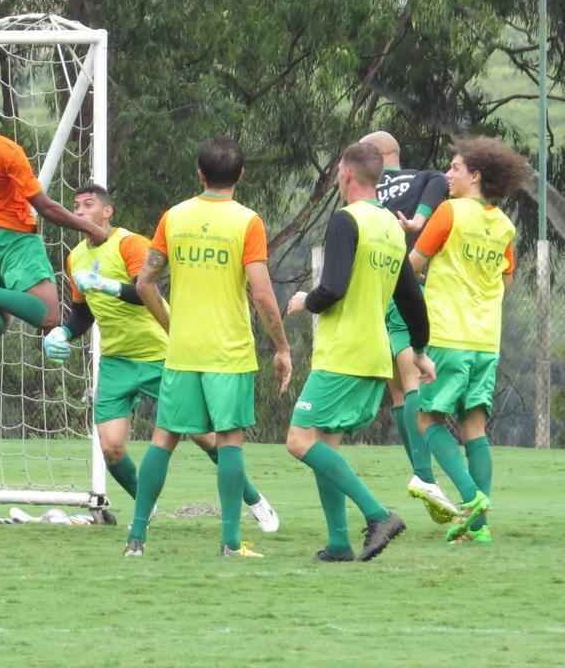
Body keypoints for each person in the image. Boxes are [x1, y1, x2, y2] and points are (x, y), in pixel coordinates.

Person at [43, 184, 279, 535]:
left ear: (108, 212)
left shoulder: (128, 244)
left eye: (88, 204)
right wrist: (62, 333)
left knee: (203, 436)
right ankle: (145, 507)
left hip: (161, 352)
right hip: (117, 360)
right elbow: (82, 314)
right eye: (75, 205)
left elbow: (145, 290)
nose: (79, 211)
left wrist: (108, 285)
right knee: (111, 447)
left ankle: (255, 500)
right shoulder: (75, 257)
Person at [121, 138, 291, 558]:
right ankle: (230, 543)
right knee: (229, 440)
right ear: (241, 175)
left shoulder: (174, 217)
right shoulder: (247, 222)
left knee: (164, 438)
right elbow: (262, 293)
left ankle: (136, 540)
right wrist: (282, 346)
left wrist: (172, 324)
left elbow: (144, 283)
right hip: (228, 351)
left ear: (199, 174)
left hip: (183, 350)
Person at [284, 142, 435, 562]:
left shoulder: (346, 220)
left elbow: (332, 288)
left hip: (344, 353)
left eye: (337, 173)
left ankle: (378, 514)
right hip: (375, 353)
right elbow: (411, 299)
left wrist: (304, 302)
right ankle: (337, 543)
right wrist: (419, 350)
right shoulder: (390, 226)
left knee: (298, 441)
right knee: (324, 444)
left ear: (347, 175)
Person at [410, 137, 529, 544]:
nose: (448, 174)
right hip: (485, 340)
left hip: (447, 334)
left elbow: (414, 265)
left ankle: (471, 498)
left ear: (475, 176)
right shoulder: (505, 225)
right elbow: (506, 279)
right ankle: (478, 529)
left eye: (455, 168)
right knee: (474, 426)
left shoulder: (448, 213)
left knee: (426, 419)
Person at [0, 73, 108, 343]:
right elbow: (45, 207)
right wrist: (90, 227)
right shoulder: (6, 151)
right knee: (48, 315)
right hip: (13, 236)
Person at [359, 130, 456, 522]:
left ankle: (423, 475)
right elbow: (437, 187)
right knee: (412, 377)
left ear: (380, 155)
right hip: (402, 285)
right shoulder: (423, 177)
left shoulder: (362, 190)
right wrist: (416, 220)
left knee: (398, 391)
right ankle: (425, 478)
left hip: (368, 292)